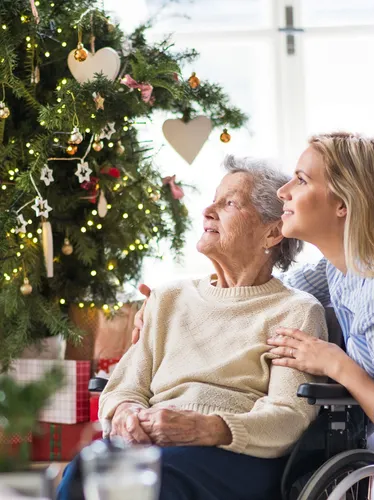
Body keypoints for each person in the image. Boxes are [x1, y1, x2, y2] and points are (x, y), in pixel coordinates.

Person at [134, 132, 374, 500]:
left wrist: (338, 365)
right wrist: (174, 307)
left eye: (302, 180)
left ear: (342, 203)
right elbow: (264, 292)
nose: (284, 192)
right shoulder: (343, 269)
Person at [57, 156, 328, 500]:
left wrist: (210, 428)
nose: (208, 211)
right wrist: (127, 415)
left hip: (239, 456)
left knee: (153, 478)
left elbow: (289, 417)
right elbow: (123, 389)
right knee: (84, 470)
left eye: (229, 203)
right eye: (213, 199)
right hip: (156, 447)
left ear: (272, 231)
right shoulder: (168, 298)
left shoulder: (295, 311)